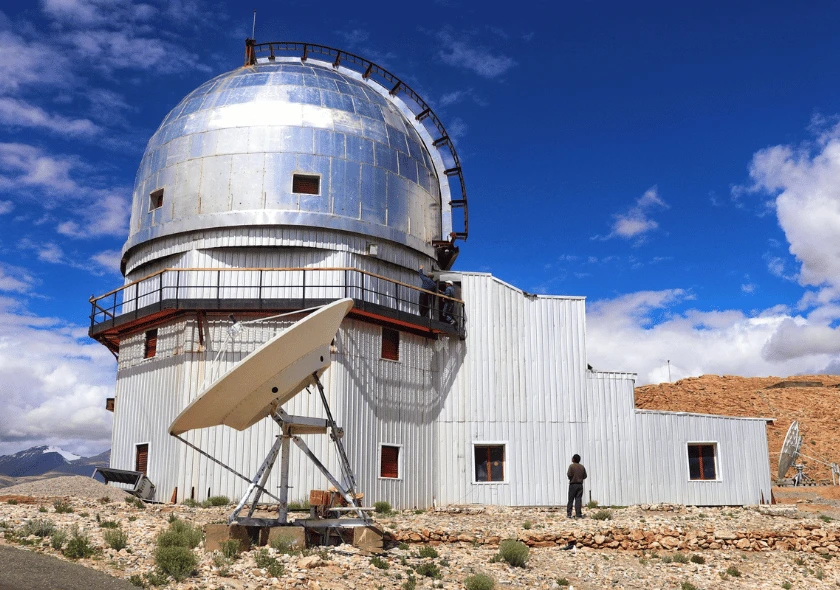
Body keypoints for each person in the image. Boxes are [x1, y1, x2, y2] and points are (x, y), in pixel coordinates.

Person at [566, 453, 587, 518]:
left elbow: (569, 474)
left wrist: (572, 478)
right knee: (578, 499)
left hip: (573, 484)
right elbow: (585, 476)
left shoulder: (571, 466)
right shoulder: (582, 467)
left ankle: (569, 514)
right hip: (580, 485)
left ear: (573, 459)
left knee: (570, 499)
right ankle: (578, 514)